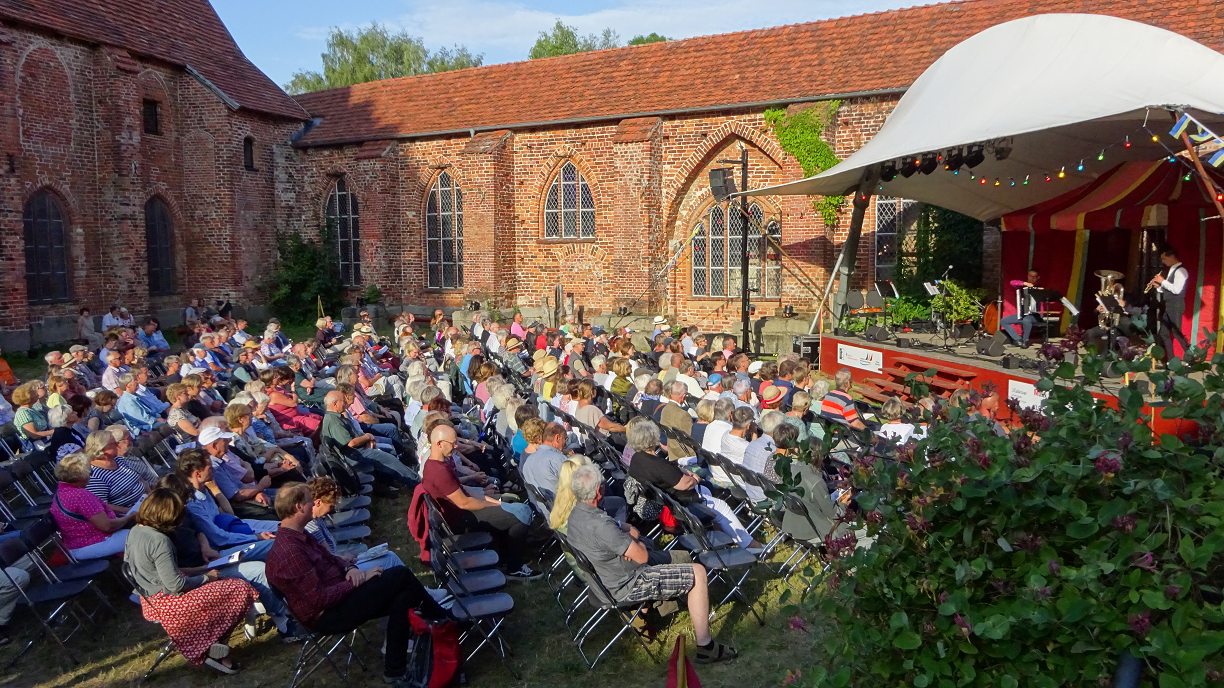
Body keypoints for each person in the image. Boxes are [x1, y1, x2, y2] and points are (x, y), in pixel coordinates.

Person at [265, 482, 451, 685]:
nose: (313, 504)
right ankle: (444, 619)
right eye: (310, 501)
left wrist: (349, 569)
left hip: (338, 595)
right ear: (299, 507)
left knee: (403, 597)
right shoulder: (290, 551)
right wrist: (358, 581)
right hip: (328, 615)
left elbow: (331, 559)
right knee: (400, 575)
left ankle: (395, 670)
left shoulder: (299, 535)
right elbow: (319, 599)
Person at [565, 464, 738, 663]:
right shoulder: (601, 526)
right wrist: (633, 540)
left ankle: (663, 608)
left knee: (680, 557)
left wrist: (626, 532)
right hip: (627, 583)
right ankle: (706, 647)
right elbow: (642, 557)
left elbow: (624, 536)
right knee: (698, 573)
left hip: (608, 577)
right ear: (598, 490)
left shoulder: (576, 516)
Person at [124, 488, 259, 674]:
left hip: (149, 599)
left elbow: (160, 571)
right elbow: (175, 585)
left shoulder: (135, 532)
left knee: (224, 584)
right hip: (168, 602)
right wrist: (207, 577)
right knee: (239, 588)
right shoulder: (160, 541)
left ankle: (213, 644)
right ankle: (215, 647)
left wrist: (201, 572)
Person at [422, 424, 540, 580]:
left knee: (510, 503)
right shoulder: (439, 471)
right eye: (452, 443)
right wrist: (493, 505)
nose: (456, 446)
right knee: (518, 517)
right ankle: (514, 567)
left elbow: (463, 489)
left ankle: (505, 555)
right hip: (461, 518)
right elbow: (465, 503)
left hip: (462, 511)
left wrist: (494, 500)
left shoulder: (438, 463)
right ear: (439, 443)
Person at [626, 419, 760, 550]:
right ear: (653, 438)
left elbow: (669, 471)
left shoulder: (638, 458)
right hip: (682, 505)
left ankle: (720, 535)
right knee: (722, 507)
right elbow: (684, 484)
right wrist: (694, 479)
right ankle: (748, 544)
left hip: (668, 501)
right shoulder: (658, 465)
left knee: (708, 491)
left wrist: (684, 472)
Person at [305, 477, 404, 569]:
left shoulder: (317, 519)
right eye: (330, 506)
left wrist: (344, 556)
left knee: (387, 556)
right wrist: (345, 559)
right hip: (341, 570)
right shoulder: (312, 527)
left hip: (340, 563)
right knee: (390, 558)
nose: (331, 510)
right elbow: (330, 558)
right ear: (318, 502)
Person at [320, 391, 416, 486]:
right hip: (356, 454)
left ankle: (388, 484)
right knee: (390, 460)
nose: (346, 403)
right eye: (343, 401)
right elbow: (351, 443)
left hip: (358, 450)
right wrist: (367, 437)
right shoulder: (334, 422)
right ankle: (416, 483)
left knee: (390, 452)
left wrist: (367, 440)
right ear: (335, 404)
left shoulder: (335, 417)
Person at [51, 452, 136, 559]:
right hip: (93, 543)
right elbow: (108, 526)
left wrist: (126, 512)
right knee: (145, 535)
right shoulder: (81, 495)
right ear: (81, 475)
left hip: (78, 546)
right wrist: (129, 517)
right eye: (90, 472)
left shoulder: (60, 494)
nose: (91, 474)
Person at [1149, 246, 1190, 360]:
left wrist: (1163, 281)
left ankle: (1191, 359)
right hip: (1169, 304)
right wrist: (1159, 286)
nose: (1163, 261)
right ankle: (1171, 360)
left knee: (1177, 333)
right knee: (1164, 333)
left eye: (1164, 258)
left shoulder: (1181, 270)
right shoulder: (1171, 270)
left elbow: (1176, 290)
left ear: (1172, 257)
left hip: (1176, 304)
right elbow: (1168, 289)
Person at [998, 270, 1043, 348]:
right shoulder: (1023, 287)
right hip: (1024, 313)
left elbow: (1051, 301)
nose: (1031, 278)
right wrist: (1025, 283)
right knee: (1004, 321)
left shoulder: (1040, 288)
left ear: (1038, 278)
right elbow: (1012, 282)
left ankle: (1025, 341)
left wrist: (1044, 294)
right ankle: (1018, 339)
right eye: (1030, 276)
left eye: (1034, 277)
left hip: (1036, 315)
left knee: (1026, 320)